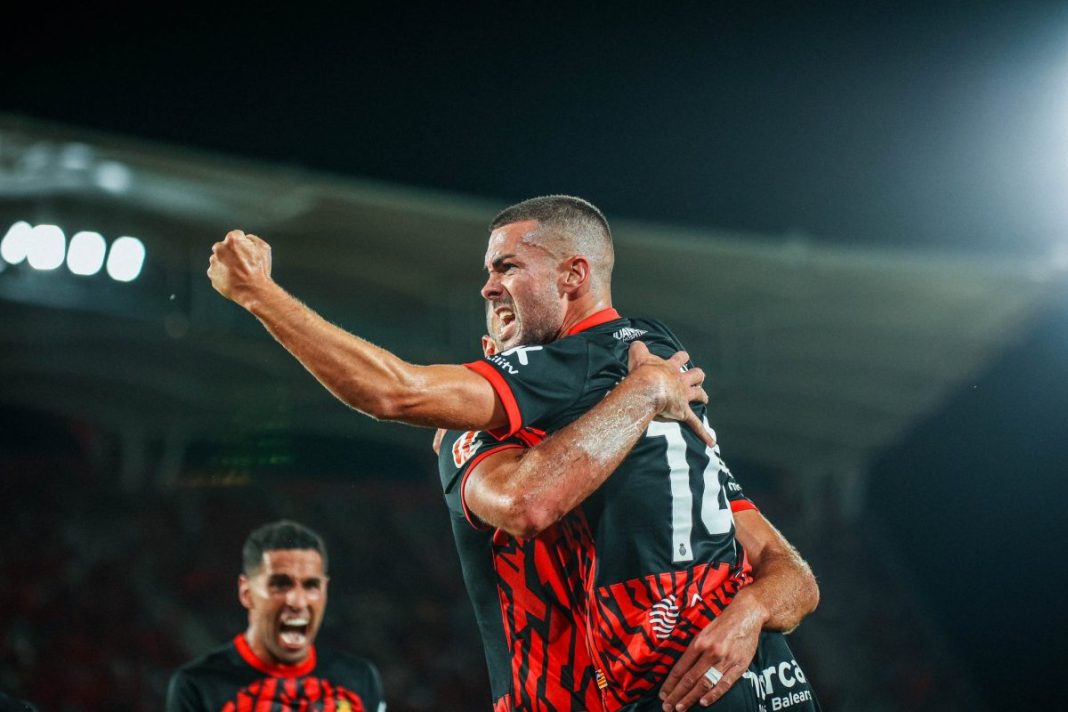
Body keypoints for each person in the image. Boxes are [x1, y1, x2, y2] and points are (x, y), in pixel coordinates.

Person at [207, 195, 819, 710]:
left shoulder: (598, 364)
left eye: (505, 269)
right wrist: (646, 390)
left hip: (684, 683)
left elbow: (793, 579)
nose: (488, 287)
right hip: (743, 684)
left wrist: (259, 293)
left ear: (572, 275)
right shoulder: (653, 394)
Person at [166, 520, 385, 712]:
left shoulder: (360, 678)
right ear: (246, 593)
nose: (298, 602)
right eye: (280, 584)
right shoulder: (198, 687)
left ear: (325, 590)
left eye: (311, 586)